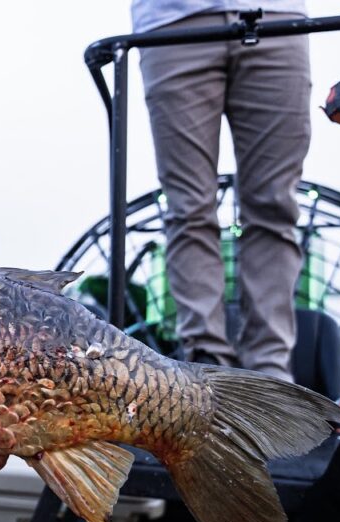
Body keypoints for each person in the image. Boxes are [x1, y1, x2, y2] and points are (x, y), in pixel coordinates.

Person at [132, 1, 311, 381]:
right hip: (174, 22)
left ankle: (270, 378)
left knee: (275, 206)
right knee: (188, 210)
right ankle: (206, 376)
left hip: (276, 17)